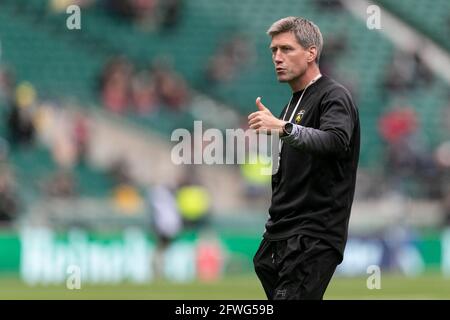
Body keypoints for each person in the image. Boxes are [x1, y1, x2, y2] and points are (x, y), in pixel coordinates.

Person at [248, 17, 360, 300]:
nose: (277, 57)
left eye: (286, 49)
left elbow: (336, 141)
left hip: (314, 233)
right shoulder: (291, 104)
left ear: (311, 53)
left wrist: (284, 128)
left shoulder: (333, 95)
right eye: (274, 50)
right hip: (281, 232)